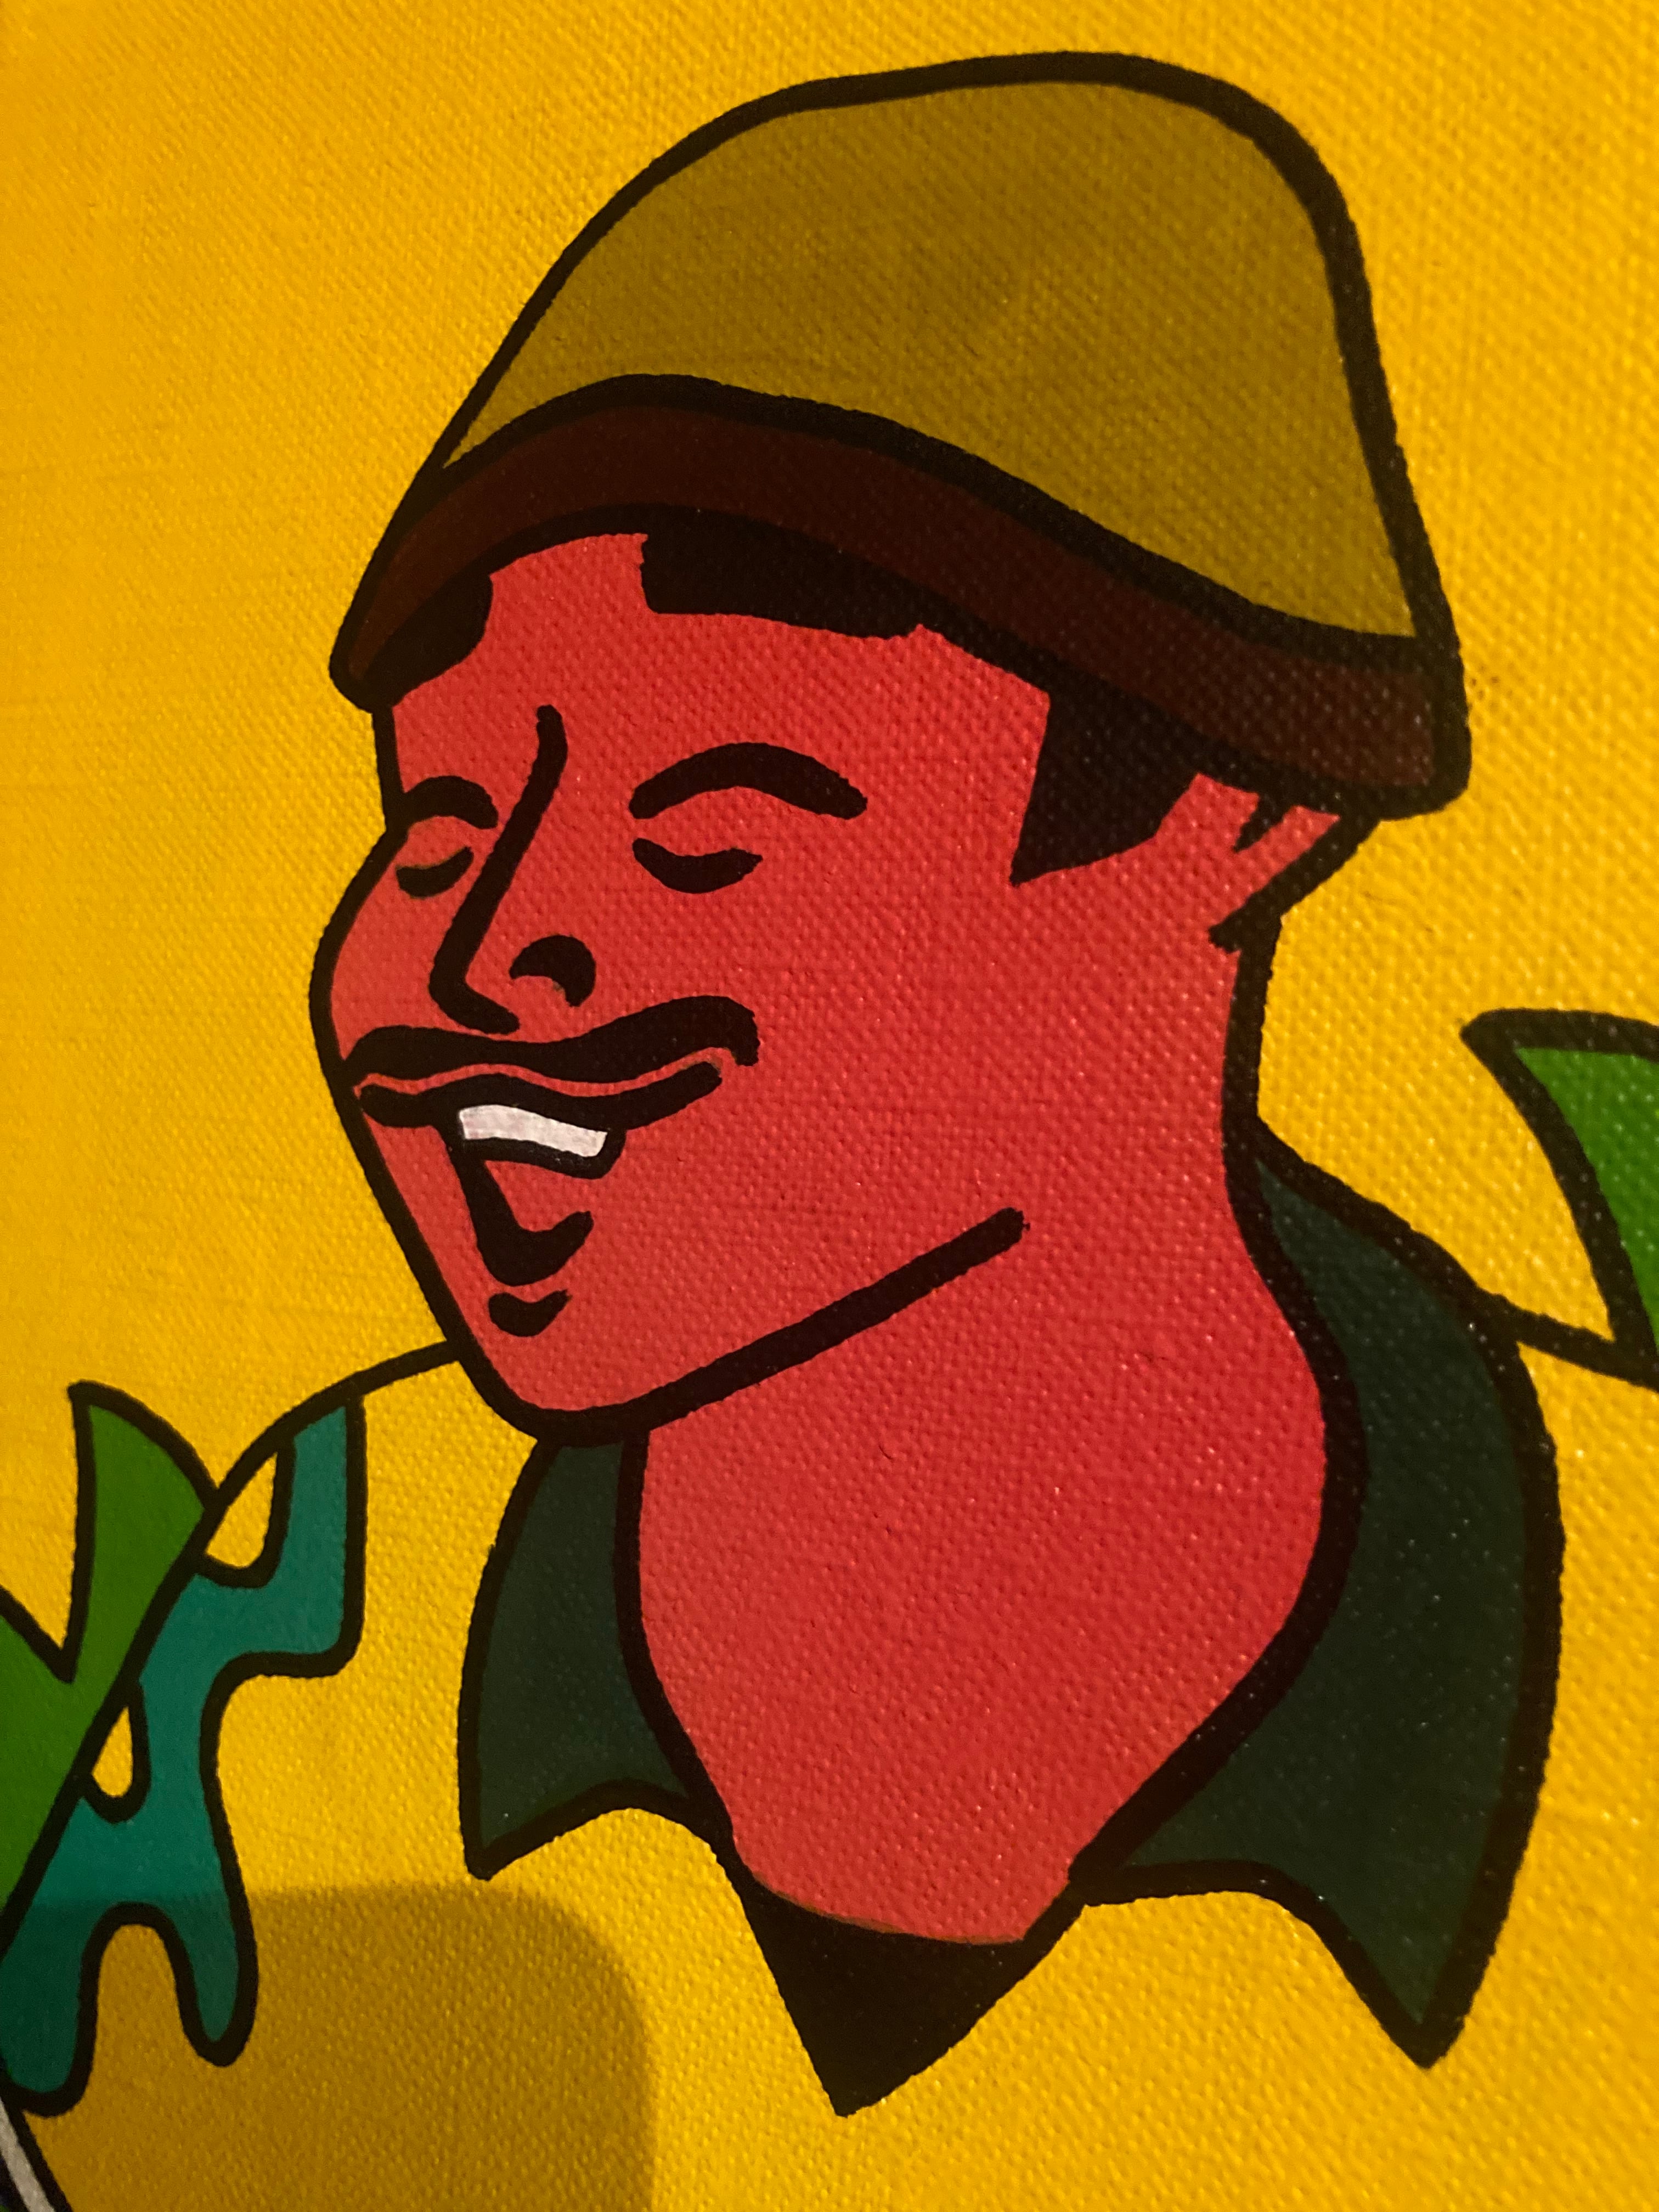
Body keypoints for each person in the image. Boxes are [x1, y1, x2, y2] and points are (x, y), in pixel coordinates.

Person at [0, 54, 1559, 2169]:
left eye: (711, 819)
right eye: (440, 825)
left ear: (1232, 812)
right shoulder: (332, 1575)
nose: (487, 957)